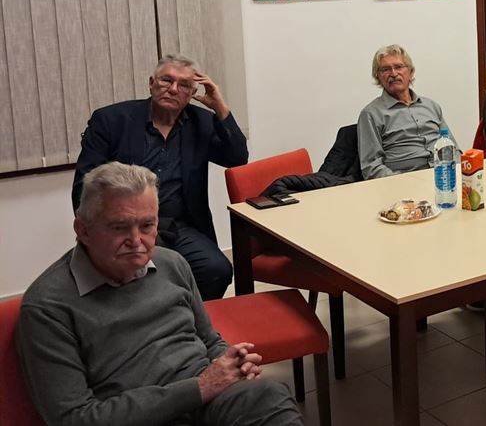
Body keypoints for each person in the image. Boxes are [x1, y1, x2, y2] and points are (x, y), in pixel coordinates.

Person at [19, 163, 301, 426]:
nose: (136, 241)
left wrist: (232, 363)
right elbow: (74, 418)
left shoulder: (171, 263)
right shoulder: (48, 305)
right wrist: (199, 388)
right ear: (83, 230)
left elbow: (209, 339)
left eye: (147, 226)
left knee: (268, 395)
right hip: (136, 417)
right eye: (119, 227)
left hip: (206, 400)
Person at [72, 54, 247, 301]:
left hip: (180, 226)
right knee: (143, 279)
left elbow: (237, 158)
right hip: (127, 225)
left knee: (216, 270)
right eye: (166, 80)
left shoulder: (202, 122)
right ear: (151, 83)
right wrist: (97, 231)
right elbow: (84, 185)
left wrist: (220, 107)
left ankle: (187, 317)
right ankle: (153, 318)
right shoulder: (112, 120)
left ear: (192, 93)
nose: (173, 89)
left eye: (184, 85)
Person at [358, 44, 457, 179]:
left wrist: (459, 173)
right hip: (403, 181)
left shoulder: (431, 106)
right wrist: (402, 182)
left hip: (443, 178)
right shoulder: (371, 114)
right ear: (378, 77)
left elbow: (452, 148)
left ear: (410, 72)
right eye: (385, 69)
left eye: (399, 67)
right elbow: (371, 167)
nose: (393, 74)